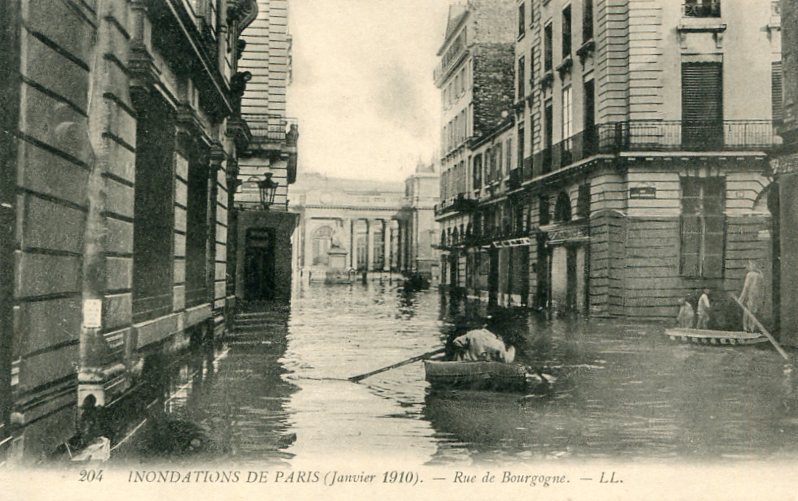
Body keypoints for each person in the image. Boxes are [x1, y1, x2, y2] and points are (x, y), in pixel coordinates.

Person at [739, 260, 765, 333]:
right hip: (758, 295)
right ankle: (753, 328)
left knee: (748, 310)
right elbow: (763, 288)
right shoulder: (760, 275)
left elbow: (746, 287)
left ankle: (746, 328)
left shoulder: (750, 274)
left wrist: (742, 297)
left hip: (751, 294)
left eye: (750, 265)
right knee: (754, 311)